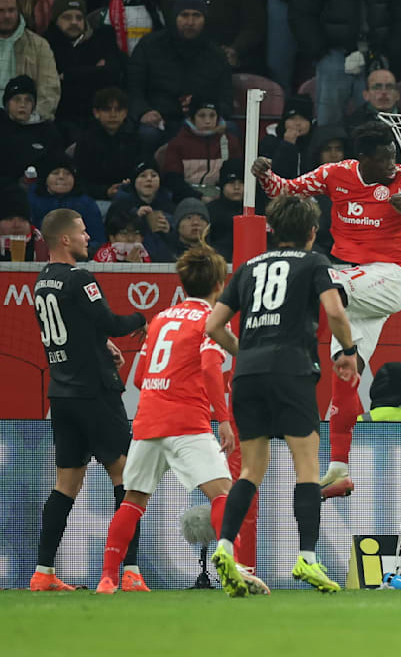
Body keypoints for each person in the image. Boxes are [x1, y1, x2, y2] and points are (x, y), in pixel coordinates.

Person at [251, 120, 401, 499]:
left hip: (389, 278)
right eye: (385, 158)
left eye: (393, 156)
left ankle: (283, 331)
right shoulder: (336, 173)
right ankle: (339, 469)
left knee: (325, 279)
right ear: (363, 158)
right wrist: (265, 175)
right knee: (344, 370)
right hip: (352, 284)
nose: (392, 164)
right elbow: (286, 190)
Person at [205, 195, 360, 596]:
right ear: (312, 232)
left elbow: (214, 326)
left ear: (272, 230)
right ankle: (307, 557)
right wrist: (348, 351)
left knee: (250, 471)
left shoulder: (248, 267)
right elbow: (336, 311)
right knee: (306, 468)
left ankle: (224, 546)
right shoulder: (314, 262)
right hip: (292, 370)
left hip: (248, 375)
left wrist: (248, 353)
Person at [96, 245, 267, 595]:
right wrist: (222, 419)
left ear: (183, 283)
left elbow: (141, 378)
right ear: (220, 284)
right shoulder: (211, 321)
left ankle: (108, 578)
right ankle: (230, 567)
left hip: (147, 420)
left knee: (133, 500)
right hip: (187, 419)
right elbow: (208, 366)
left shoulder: (161, 318)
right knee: (223, 494)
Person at [29, 208, 147, 591]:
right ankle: (127, 572)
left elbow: (78, 331)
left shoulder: (42, 282)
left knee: (66, 484)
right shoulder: (81, 278)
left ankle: (43, 573)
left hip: (62, 395)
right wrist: (143, 319)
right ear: (64, 239)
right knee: (128, 477)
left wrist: (101, 344)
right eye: (81, 232)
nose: (87, 237)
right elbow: (111, 321)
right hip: (95, 392)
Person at [127, 0, 233, 143]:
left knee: (231, 130)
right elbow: (133, 88)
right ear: (175, 16)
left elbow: (226, 99)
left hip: (203, 122)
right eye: (184, 15)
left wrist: (207, 110)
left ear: (205, 18)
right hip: (160, 121)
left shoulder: (216, 54)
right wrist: (144, 112)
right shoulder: (149, 46)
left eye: (196, 15)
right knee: (147, 133)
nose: (190, 22)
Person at [46, 0, 125, 137]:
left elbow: (112, 74)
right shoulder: (47, 43)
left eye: (79, 17)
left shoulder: (100, 40)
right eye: (67, 17)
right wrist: (95, 72)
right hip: (62, 117)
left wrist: (69, 75)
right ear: (56, 20)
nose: (74, 22)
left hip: (96, 115)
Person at [161, 96, 243, 200]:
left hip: (221, 199)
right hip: (187, 198)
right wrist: (199, 197)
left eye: (212, 115)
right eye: (202, 115)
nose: (207, 121)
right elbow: (172, 179)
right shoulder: (178, 143)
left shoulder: (230, 142)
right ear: (192, 118)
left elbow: (237, 175)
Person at [73, 87, 145, 201]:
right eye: (107, 109)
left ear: (125, 112)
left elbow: (143, 171)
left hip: (131, 196)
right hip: (96, 198)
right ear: (96, 113)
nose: (113, 114)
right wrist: (105, 191)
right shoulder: (86, 141)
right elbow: (79, 182)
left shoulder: (135, 139)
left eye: (118, 109)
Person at [0, 0, 60, 122]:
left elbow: (50, 89)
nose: (7, 16)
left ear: (18, 11)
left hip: (26, 123)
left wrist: (34, 118)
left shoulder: (39, 46)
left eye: (11, 10)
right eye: (1, 11)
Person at [0, 74, 64, 186]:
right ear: (7, 103)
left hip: (38, 189)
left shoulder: (47, 130)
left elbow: (57, 164)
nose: (22, 105)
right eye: (17, 99)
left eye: (28, 100)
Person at [28, 157, 105, 248]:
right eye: (55, 173)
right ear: (46, 177)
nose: (61, 177)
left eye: (67, 173)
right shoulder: (31, 199)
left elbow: (98, 240)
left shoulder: (86, 203)